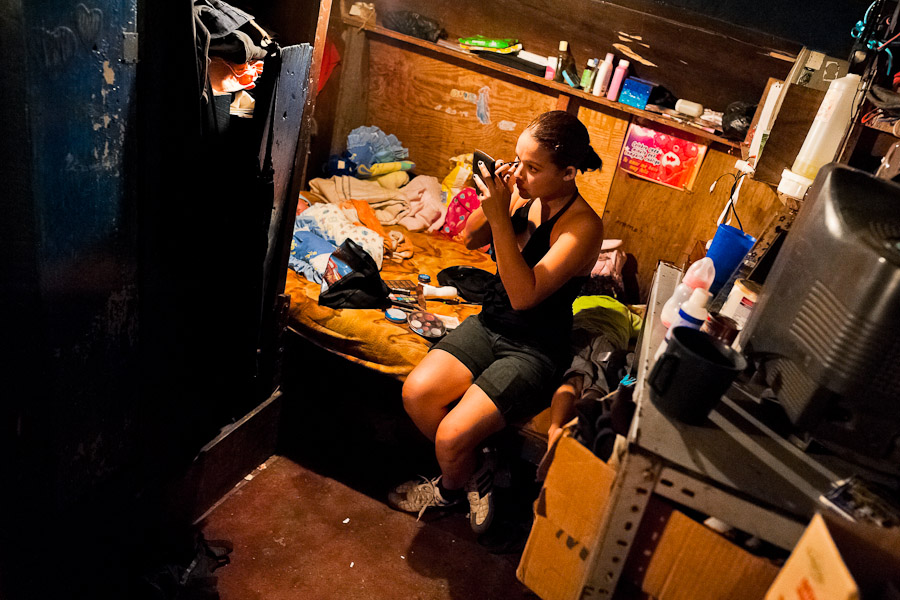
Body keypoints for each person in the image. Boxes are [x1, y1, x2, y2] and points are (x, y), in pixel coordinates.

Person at [388, 111, 605, 533]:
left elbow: (525, 296)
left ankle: (450, 488)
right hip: (491, 323)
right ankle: (477, 471)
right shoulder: (524, 195)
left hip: (535, 346)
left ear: (569, 173)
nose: (519, 174)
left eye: (533, 167)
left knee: (450, 436)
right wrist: (495, 202)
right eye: (517, 161)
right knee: (417, 393)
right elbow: (469, 238)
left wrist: (503, 217)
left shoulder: (583, 227)